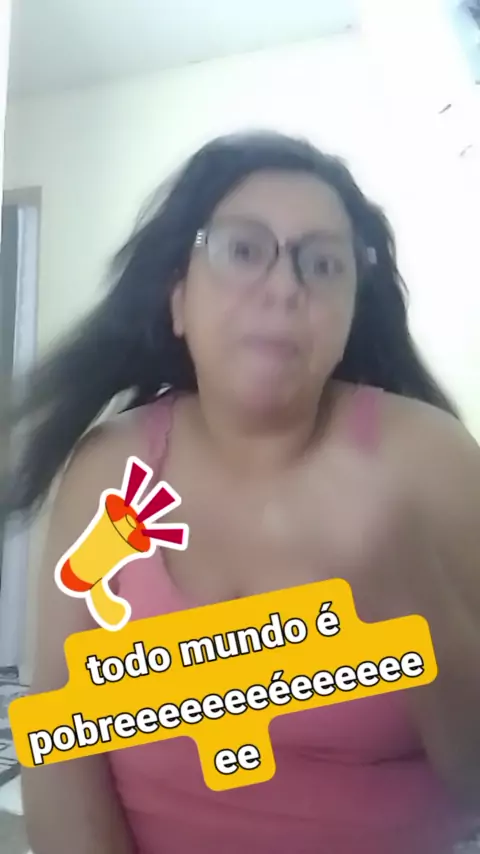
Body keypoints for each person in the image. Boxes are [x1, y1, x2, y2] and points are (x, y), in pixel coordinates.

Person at [3, 131, 480, 854]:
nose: (284, 287)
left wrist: (413, 594)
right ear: (178, 299)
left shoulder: (432, 460)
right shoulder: (110, 466)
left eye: (323, 264)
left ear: (351, 313)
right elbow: (64, 738)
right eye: (243, 249)